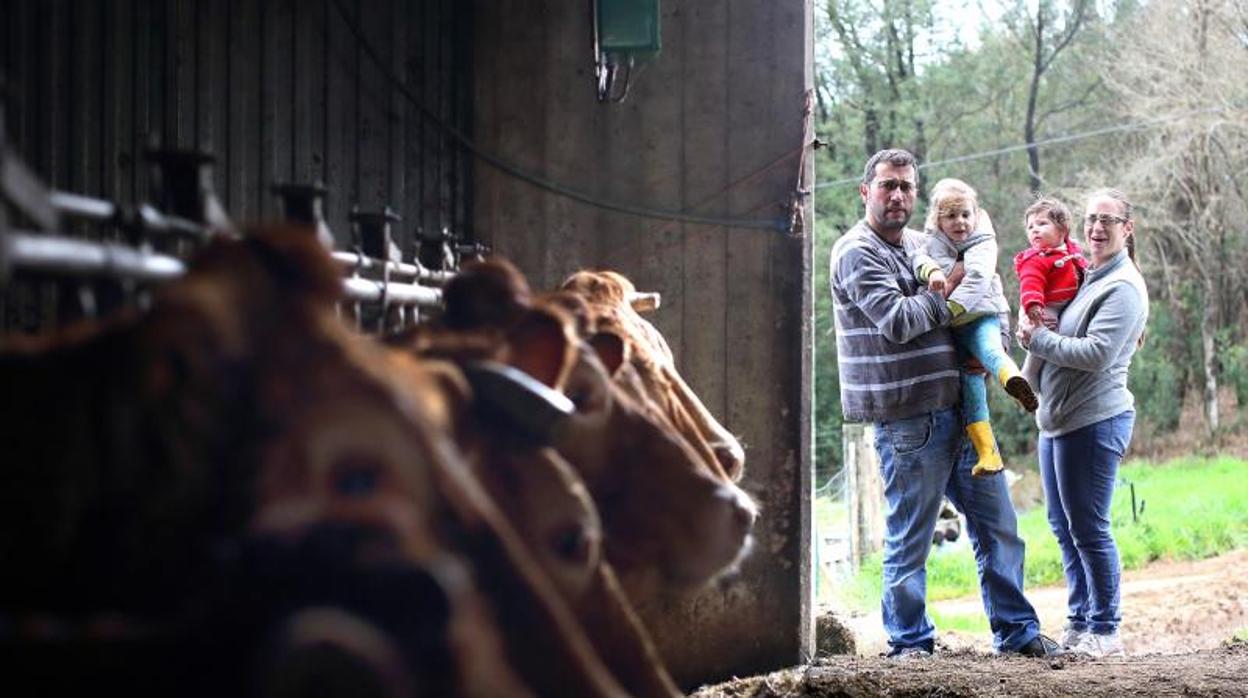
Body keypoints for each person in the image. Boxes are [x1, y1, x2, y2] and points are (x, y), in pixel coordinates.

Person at [830, 148, 1058, 659]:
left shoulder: (922, 244)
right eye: (888, 185)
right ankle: (911, 644)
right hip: (908, 418)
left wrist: (985, 339)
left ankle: (1018, 633)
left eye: (907, 187)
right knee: (910, 541)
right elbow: (899, 319)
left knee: (1000, 527)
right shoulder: (855, 251)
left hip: (962, 409)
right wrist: (951, 292)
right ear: (866, 192)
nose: (898, 195)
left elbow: (981, 288)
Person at [1016, 188, 1149, 658]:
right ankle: (1079, 621)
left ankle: (1106, 629)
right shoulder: (1088, 275)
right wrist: (1032, 326)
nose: (1097, 228)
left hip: (1094, 421)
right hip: (1055, 421)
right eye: (1092, 218)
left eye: (1108, 221)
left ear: (1126, 229)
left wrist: (1040, 339)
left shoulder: (1123, 287)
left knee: (1089, 528)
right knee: (1063, 526)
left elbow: (1094, 354)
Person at [911, 178, 1038, 478]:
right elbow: (920, 259)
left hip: (981, 313)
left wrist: (949, 307)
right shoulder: (932, 241)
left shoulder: (983, 240)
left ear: (975, 214)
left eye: (966, 215)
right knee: (971, 387)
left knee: (989, 351)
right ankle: (989, 454)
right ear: (937, 219)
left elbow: (979, 276)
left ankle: (1015, 381)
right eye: (951, 216)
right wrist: (933, 271)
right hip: (955, 328)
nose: (960, 223)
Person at [1013, 197, 1089, 386]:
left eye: (1042, 223)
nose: (1035, 229)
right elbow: (1031, 281)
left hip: (1067, 305)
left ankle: (1040, 378)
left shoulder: (1071, 251)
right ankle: (1029, 374)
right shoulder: (1036, 258)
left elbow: (1085, 269)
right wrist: (1032, 303)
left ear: (1062, 230)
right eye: (1030, 227)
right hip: (1046, 306)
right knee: (1044, 331)